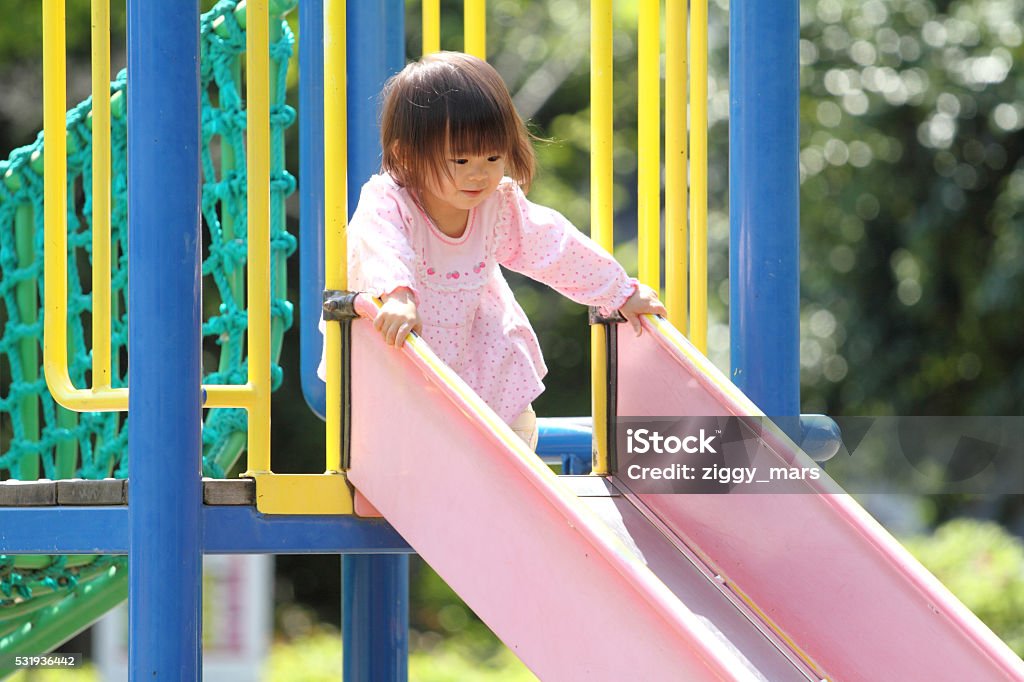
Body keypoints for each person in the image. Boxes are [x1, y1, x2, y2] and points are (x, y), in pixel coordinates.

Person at [319, 51, 666, 449]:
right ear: (406, 155)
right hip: (401, 350)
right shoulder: (389, 201)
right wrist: (397, 294)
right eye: (460, 159)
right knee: (413, 443)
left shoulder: (497, 204)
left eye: (492, 156)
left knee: (507, 394)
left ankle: (516, 469)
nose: (479, 173)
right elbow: (379, 244)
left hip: (476, 347)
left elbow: (552, 246)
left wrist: (618, 291)